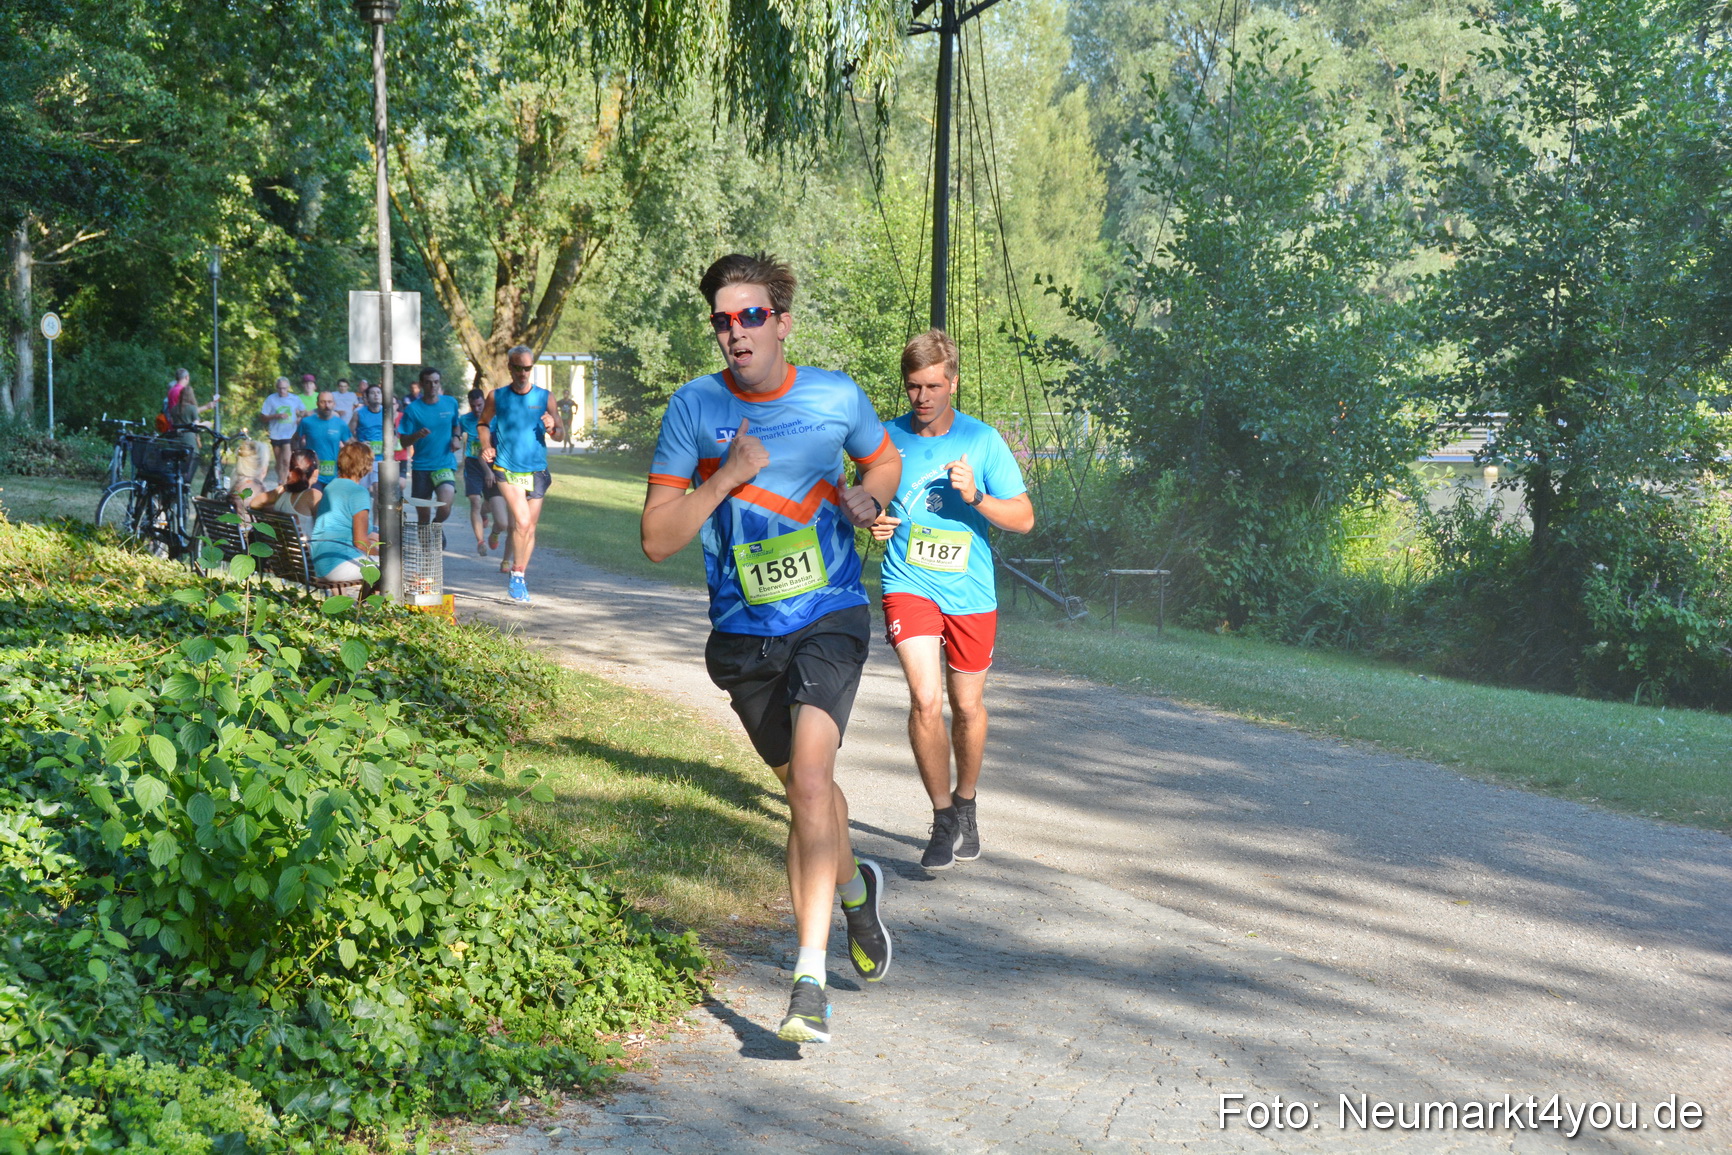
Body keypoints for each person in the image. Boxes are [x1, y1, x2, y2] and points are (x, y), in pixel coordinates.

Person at [640, 253, 900, 1044]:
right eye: (722, 320)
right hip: (745, 638)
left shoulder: (835, 394)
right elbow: (656, 539)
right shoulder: (694, 410)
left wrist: (873, 494)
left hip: (830, 613)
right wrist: (722, 479)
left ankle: (808, 982)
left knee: (813, 781)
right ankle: (855, 888)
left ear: (781, 320)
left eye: (749, 316)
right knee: (808, 795)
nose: (734, 333)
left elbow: (881, 456)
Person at [871, 329, 1034, 871]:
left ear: (953, 382)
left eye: (933, 386)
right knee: (925, 699)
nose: (922, 398)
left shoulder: (982, 440)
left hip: (970, 590)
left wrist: (976, 496)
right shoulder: (885, 438)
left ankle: (966, 802)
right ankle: (942, 818)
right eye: (914, 387)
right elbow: (862, 500)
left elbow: (1025, 518)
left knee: (965, 706)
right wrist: (871, 519)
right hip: (907, 582)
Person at [478, 346, 561, 602]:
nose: (524, 373)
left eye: (528, 368)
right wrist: (486, 446)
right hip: (506, 467)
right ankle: (515, 576)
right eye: (519, 368)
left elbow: (560, 433)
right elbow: (482, 423)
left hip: (536, 469)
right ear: (510, 368)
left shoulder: (546, 397)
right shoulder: (497, 396)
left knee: (530, 528)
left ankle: (520, 575)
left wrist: (552, 428)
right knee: (522, 522)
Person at [308, 442, 379, 589]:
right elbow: (360, 542)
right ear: (366, 465)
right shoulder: (358, 493)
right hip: (337, 564)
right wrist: (382, 556)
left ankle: (363, 607)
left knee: (378, 547)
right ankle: (368, 608)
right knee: (391, 567)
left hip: (319, 560)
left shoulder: (331, 486)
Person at [398, 366, 460, 523]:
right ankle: (426, 545)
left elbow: (456, 424)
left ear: (439, 383)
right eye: (428, 382)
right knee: (423, 516)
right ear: (421, 384)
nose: (432, 386)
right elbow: (403, 441)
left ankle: (437, 525)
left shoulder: (450, 403)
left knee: (445, 505)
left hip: (444, 464)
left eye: (436, 382)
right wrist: (417, 435)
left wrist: (456, 437)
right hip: (421, 467)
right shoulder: (413, 409)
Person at [459, 387, 511, 561]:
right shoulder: (464, 420)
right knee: (474, 500)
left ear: (484, 402)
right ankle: (480, 541)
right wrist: (454, 439)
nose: (476, 409)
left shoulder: (495, 419)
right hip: (473, 465)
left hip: (492, 465)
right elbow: (456, 434)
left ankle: (489, 522)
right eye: (473, 406)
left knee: (495, 513)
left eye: (479, 405)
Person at [296, 392, 351, 492]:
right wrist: (298, 458)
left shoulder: (340, 424)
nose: (327, 406)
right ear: (317, 404)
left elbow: (350, 444)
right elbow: (295, 439)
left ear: (334, 404)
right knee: (315, 502)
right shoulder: (307, 422)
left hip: (334, 474)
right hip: (313, 474)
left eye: (329, 402)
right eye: (323, 402)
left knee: (331, 505)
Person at [261, 377, 307, 484]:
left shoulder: (294, 399)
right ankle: (280, 478)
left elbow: (303, 411)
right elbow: (263, 417)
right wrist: (276, 416)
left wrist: (299, 417)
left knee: (286, 461)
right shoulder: (271, 399)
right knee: (279, 462)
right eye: (280, 388)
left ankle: (284, 483)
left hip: (290, 434)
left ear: (288, 388)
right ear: (276, 388)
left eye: (285, 388)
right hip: (276, 434)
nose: (282, 391)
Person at [350, 382, 387, 491]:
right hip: (363, 458)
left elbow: (394, 433)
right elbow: (347, 433)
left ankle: (376, 509)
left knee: (377, 489)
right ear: (366, 397)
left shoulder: (387, 413)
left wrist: (390, 446)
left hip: (380, 458)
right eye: (373, 393)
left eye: (378, 393)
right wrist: (358, 444)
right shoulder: (358, 413)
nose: (376, 395)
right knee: (362, 491)